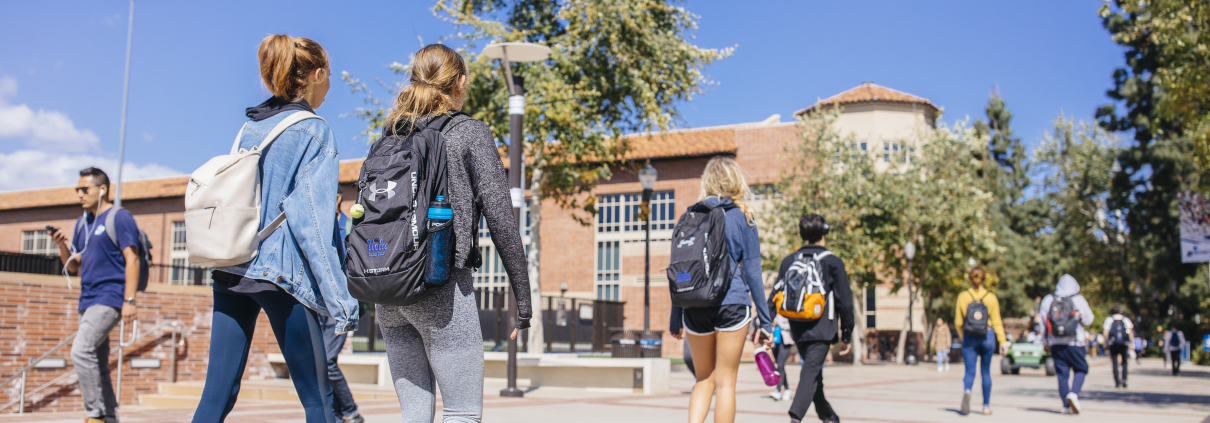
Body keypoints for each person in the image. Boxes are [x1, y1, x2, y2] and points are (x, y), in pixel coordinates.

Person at [191, 34, 360, 423]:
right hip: (281, 274)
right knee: (317, 398)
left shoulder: (249, 128)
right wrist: (341, 299)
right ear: (317, 74)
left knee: (216, 396)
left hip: (233, 264)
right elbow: (313, 222)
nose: (330, 84)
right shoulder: (315, 130)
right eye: (329, 75)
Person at [373, 43, 532, 422]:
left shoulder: (390, 134)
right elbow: (501, 219)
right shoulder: (469, 132)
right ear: (460, 83)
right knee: (461, 411)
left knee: (414, 412)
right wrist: (522, 298)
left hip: (388, 289)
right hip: (439, 284)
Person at [669, 157, 773, 423]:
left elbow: (681, 268)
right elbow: (752, 272)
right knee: (726, 383)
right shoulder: (743, 217)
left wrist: (676, 316)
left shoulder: (689, 216)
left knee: (704, 379)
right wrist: (765, 320)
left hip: (695, 305)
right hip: (733, 303)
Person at [50, 167, 140, 423]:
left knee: (81, 351)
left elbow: (132, 259)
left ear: (102, 189)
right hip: (87, 300)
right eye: (77, 190)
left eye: (84, 189)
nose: (79, 194)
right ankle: (109, 416)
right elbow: (75, 264)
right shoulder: (83, 222)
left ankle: (95, 415)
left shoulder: (118, 217)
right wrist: (62, 246)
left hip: (110, 297)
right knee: (98, 362)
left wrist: (130, 301)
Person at [769, 214, 854, 423]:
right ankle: (795, 418)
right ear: (825, 231)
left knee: (814, 375)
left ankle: (829, 417)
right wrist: (847, 334)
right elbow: (846, 302)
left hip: (797, 326)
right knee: (811, 372)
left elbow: (774, 296)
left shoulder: (789, 261)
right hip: (823, 328)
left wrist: (764, 323)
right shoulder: (833, 262)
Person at [320, 189, 363, 423]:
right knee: (321, 363)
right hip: (318, 304)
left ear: (337, 198)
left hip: (341, 304)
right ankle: (335, 416)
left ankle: (350, 411)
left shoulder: (349, 227)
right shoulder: (316, 227)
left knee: (326, 360)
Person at [954, 265, 1007, 416]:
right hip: (987, 336)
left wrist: (963, 336)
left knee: (969, 372)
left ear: (970, 278)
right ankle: (986, 406)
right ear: (984, 279)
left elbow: (958, 322)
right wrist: (1002, 341)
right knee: (985, 372)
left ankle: (968, 391)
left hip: (969, 337)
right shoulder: (991, 297)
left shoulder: (963, 296)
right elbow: (997, 321)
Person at [1039, 275, 1094, 415]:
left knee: (1062, 375)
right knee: (1081, 369)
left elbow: (1043, 324)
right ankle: (1074, 394)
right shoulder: (1077, 300)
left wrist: (1045, 342)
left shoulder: (1048, 299)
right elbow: (1089, 319)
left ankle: (1065, 406)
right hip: (1075, 342)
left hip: (1056, 343)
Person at [1101, 305, 1134, 388]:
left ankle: (1117, 382)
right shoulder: (1126, 320)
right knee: (1124, 362)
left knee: (1115, 363)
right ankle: (1124, 379)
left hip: (1113, 344)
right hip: (1124, 344)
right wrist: (1132, 343)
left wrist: (1105, 343)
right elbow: (1130, 332)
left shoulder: (1109, 320)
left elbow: (1105, 333)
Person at [769, 315, 795, 400]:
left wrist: (779, 324)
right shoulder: (773, 307)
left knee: (780, 365)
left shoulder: (788, 305)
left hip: (786, 338)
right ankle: (787, 389)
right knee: (780, 366)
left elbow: (794, 324)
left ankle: (778, 390)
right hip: (775, 338)